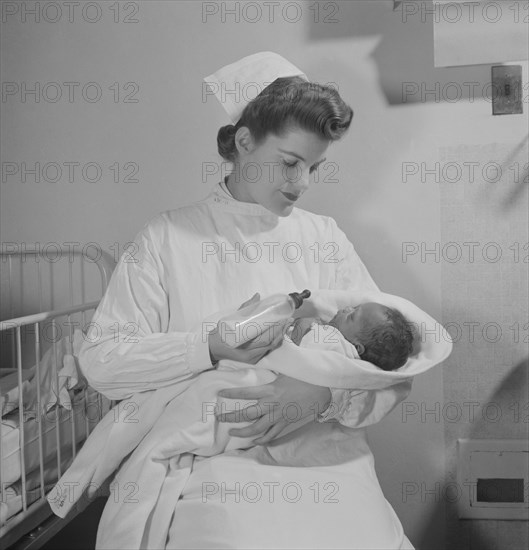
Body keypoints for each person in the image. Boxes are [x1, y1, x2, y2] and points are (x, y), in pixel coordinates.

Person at [79, 52, 429, 549]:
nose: (302, 183)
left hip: (322, 447)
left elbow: (395, 368)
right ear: (244, 143)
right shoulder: (166, 238)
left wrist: (324, 396)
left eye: (313, 167)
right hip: (213, 454)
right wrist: (208, 348)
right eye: (290, 163)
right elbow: (102, 364)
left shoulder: (324, 238)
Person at [290, 302, 415, 371]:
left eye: (351, 316)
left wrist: (303, 324)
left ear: (356, 346)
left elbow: (296, 355)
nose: (347, 308)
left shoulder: (335, 344)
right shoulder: (346, 358)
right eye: (354, 308)